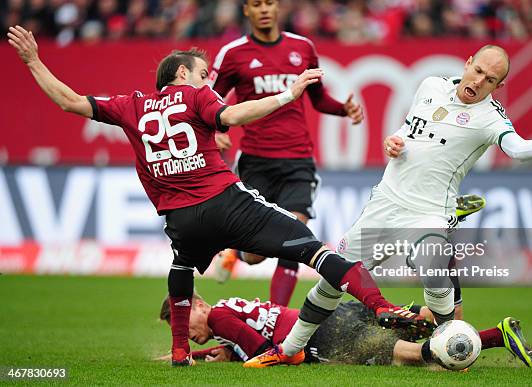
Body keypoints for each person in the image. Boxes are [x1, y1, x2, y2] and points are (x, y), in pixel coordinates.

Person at [8, 24, 429, 367]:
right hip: (226, 203)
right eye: (202, 73)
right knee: (313, 250)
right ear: (181, 75)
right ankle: (379, 305)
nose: (207, 78)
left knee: (182, 267)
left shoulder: (131, 106)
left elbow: (68, 101)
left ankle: (178, 352)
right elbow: (232, 115)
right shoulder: (194, 95)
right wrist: (287, 94)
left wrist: (33, 60)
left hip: (182, 220)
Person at [246, 44, 532, 368]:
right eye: (478, 71)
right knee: (333, 280)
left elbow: (517, 149)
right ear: (468, 63)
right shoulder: (431, 86)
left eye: (491, 80)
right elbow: (408, 129)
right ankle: (289, 351)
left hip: (430, 210)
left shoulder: (490, 118)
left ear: (498, 86)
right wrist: (394, 140)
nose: (480, 81)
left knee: (433, 269)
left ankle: (450, 344)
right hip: (384, 202)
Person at [209, 0, 364, 307]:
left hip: (298, 162)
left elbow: (318, 99)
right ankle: (234, 252)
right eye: (257, 4)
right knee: (254, 256)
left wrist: (343, 110)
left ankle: (276, 318)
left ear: (277, 7)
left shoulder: (303, 47)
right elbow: (209, 100)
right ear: (247, 11)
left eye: (269, 3)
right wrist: (216, 131)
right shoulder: (233, 54)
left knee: (295, 237)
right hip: (255, 162)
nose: (264, 9)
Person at [158, 292, 532, 368]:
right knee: (421, 322)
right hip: (331, 312)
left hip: (320, 334)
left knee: (413, 359)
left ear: (199, 306)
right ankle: (496, 335)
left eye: (182, 322)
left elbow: (261, 350)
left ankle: (479, 339)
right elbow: (240, 343)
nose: (185, 333)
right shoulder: (225, 311)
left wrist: (201, 356)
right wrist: (203, 354)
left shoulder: (218, 319)